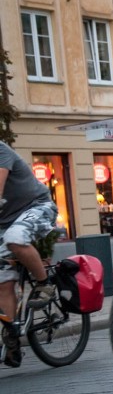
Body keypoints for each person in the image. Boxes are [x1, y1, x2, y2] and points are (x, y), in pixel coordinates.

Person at [0, 143, 59, 367]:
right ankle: (12, 335)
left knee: (15, 238)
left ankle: (45, 283)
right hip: (4, 223)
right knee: (3, 282)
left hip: (36, 207)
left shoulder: (1, 152)